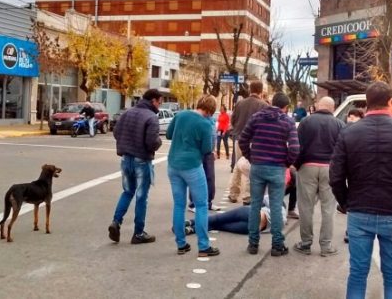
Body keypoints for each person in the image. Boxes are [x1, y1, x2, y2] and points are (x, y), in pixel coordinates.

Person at [329, 81, 392, 299]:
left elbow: (335, 176)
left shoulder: (349, 133)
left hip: (360, 210)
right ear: (391, 102)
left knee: (357, 273)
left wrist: (345, 203)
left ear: (366, 105)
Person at [239, 92, 299, 257]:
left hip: (258, 167)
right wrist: (286, 163)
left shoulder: (256, 118)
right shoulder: (287, 121)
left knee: (255, 206)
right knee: (276, 206)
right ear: (285, 107)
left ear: (272, 103)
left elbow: (243, 139)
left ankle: (253, 244)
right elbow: (294, 148)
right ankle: (277, 245)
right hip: (277, 168)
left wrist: (251, 157)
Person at [166, 95, 220, 257]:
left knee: (179, 205)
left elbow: (169, 135)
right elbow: (206, 149)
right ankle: (203, 246)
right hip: (192, 166)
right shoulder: (205, 124)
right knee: (201, 205)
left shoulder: (180, 115)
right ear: (210, 111)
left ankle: (181, 244)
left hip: (173, 164)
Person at [108, 89, 163, 244]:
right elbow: (152, 142)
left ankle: (116, 221)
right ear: (153, 101)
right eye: (159, 102)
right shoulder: (151, 117)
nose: (159, 105)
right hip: (142, 160)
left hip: (126, 158)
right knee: (141, 196)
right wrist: (158, 142)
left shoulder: (127, 113)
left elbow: (116, 132)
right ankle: (138, 233)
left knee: (127, 192)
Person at [293, 96, 345, 256]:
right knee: (328, 208)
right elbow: (342, 150)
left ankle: (306, 243)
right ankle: (326, 246)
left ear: (318, 106)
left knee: (306, 207)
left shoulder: (305, 122)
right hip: (329, 168)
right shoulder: (339, 124)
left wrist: (296, 165)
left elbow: (297, 146)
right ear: (332, 107)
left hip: (307, 166)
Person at [229, 80, 268, 196]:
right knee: (250, 166)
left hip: (239, 138)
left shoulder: (240, 104)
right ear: (261, 91)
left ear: (250, 90)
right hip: (253, 141)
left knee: (238, 165)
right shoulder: (263, 105)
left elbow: (233, 120)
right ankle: (247, 195)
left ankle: (233, 193)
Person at [184, 195, 287, 235]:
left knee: (217, 219)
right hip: (253, 228)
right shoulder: (282, 221)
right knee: (219, 225)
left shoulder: (276, 203)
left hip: (251, 213)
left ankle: (190, 222)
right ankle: (191, 230)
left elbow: (259, 199)